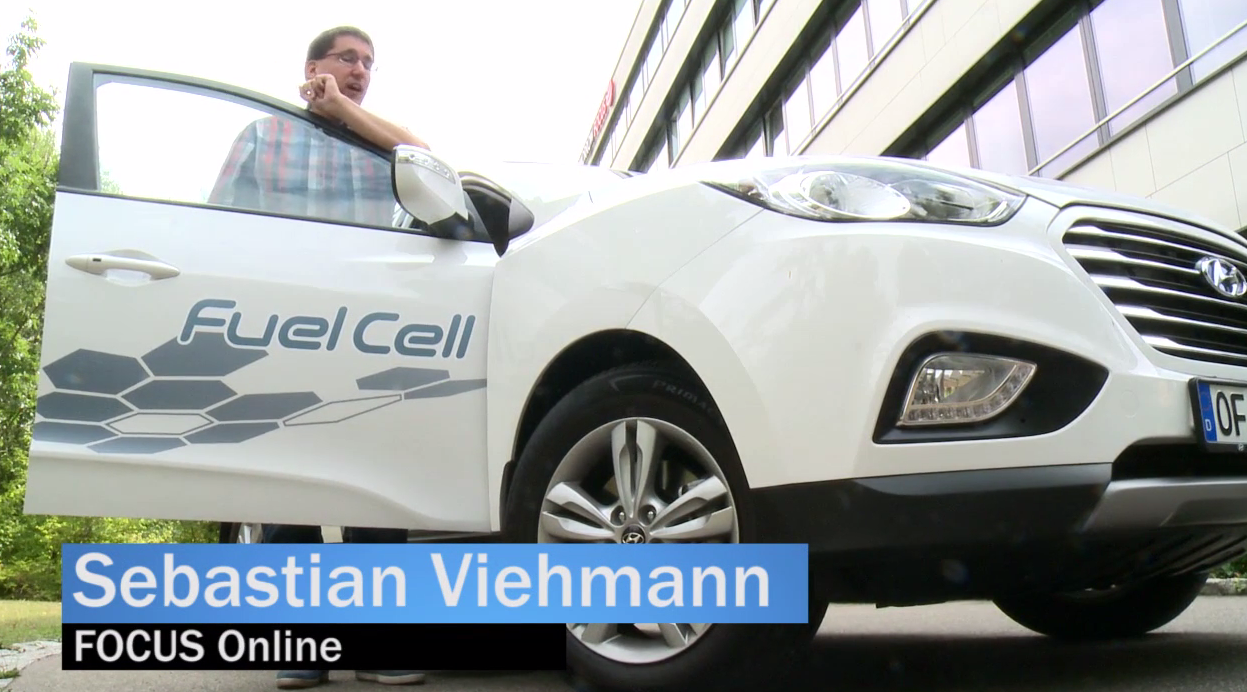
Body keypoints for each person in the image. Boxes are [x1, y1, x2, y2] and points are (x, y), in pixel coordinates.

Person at [210, 25, 430, 689]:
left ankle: (379, 645)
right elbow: (217, 224)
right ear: (313, 68)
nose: (361, 70)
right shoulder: (261, 136)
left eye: (369, 63)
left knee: (372, 482)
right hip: (275, 327)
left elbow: (425, 158)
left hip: (365, 328)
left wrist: (345, 112)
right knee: (286, 483)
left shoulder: (376, 142)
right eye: (348, 59)